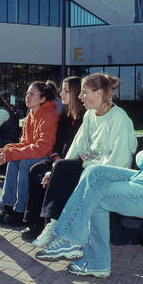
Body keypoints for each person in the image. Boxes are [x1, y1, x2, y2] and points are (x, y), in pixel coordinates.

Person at [35, 68, 143, 278]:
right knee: (94, 174)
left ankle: (81, 249)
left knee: (97, 190)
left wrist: (142, 156)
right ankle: (76, 246)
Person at [32, 73, 137, 247]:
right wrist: (55, 171)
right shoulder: (89, 115)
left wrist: (91, 164)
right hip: (92, 168)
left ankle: (66, 234)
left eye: (84, 92)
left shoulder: (119, 118)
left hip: (109, 173)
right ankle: (54, 225)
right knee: (62, 167)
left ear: (100, 93)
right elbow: (77, 146)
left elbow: (120, 161)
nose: (80, 97)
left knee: (76, 173)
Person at [21, 76, 85, 241]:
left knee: (52, 173)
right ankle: (33, 222)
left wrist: (59, 164)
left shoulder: (84, 119)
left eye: (65, 91)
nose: (61, 94)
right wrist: (55, 157)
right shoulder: (65, 117)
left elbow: (81, 150)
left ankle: (49, 224)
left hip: (74, 164)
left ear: (76, 93)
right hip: (59, 160)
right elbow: (56, 144)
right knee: (35, 169)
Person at [0, 81, 60, 226]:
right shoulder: (31, 114)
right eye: (27, 93)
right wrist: (8, 149)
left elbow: (42, 148)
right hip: (36, 151)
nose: (27, 96)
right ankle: (8, 207)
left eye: (32, 94)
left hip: (47, 155)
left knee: (24, 164)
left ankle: (20, 211)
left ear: (42, 99)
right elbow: (25, 142)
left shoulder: (49, 115)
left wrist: (12, 152)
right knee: (13, 161)